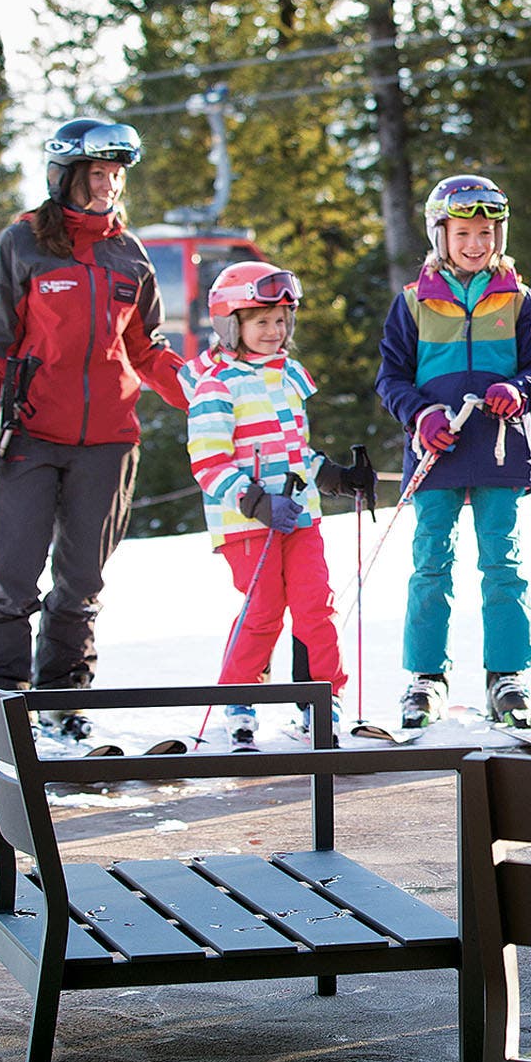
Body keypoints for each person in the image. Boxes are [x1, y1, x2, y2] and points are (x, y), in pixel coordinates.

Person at [0, 118, 191, 743]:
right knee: (13, 573)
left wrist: (201, 395)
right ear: (63, 177)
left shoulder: (128, 255)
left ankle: (63, 698)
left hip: (109, 440)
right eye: (97, 174)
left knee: (82, 579)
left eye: (116, 175)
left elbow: (147, 349)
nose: (109, 186)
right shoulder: (24, 244)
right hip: (30, 435)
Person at [375, 174, 531, 729]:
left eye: (485, 232)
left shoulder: (519, 300)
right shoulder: (412, 303)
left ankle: (506, 675)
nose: (475, 244)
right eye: (463, 234)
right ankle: (426, 677)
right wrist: (421, 414)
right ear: (441, 236)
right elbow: (391, 379)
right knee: (431, 562)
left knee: (503, 563)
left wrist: (519, 391)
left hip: (499, 451)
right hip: (438, 452)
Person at [185, 261, 363, 749]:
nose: (274, 330)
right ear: (231, 324)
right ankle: (238, 700)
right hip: (246, 521)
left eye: (282, 320)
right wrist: (254, 499)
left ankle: (323, 699)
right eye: (261, 320)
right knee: (263, 610)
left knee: (316, 607)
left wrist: (333, 477)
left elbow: (296, 451)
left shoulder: (288, 378)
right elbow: (207, 461)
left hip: (300, 515)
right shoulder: (216, 386)